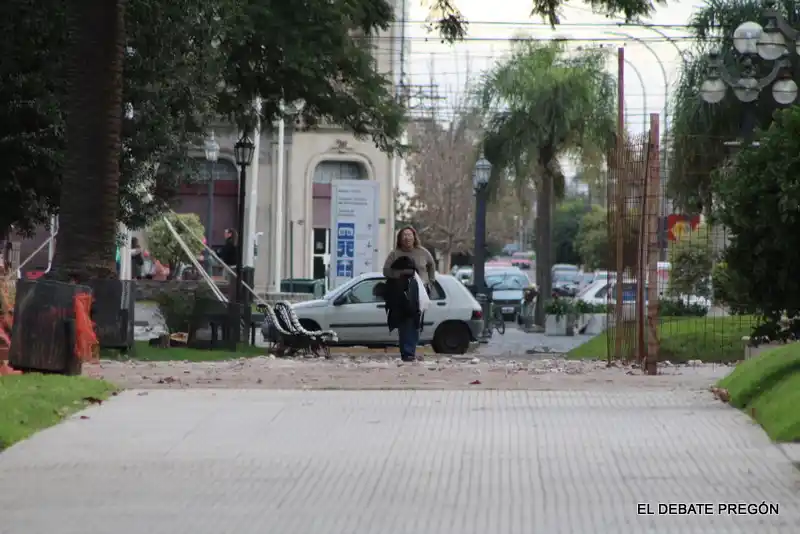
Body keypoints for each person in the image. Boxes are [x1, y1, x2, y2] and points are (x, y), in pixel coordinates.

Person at [382, 226, 436, 361]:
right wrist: (400, 274)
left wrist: (430, 281)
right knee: (404, 322)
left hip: (419, 293)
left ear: (414, 237)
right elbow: (386, 271)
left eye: (409, 235)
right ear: (400, 238)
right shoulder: (394, 254)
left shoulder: (423, 252)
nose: (407, 237)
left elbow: (431, 265)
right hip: (401, 293)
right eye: (404, 235)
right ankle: (407, 352)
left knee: (415, 322)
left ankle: (409, 352)